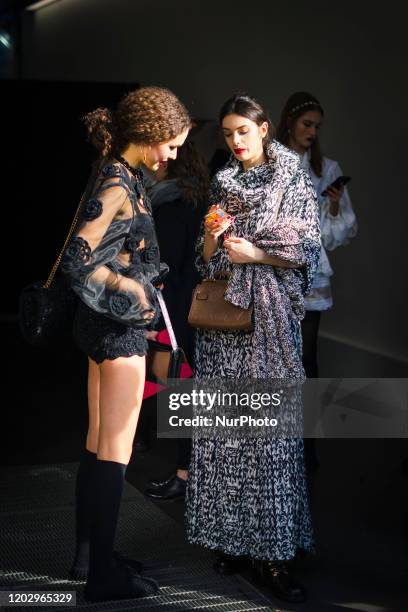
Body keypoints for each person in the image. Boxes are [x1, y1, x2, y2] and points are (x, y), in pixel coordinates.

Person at [185, 93, 321, 604]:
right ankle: (232, 540)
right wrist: (213, 238)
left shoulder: (292, 180)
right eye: (227, 134)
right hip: (223, 325)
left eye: (244, 130)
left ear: (265, 128)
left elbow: (305, 249)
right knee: (226, 436)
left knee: (269, 440)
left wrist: (255, 252)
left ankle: (276, 554)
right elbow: (204, 263)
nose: (236, 142)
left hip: (267, 323)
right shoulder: (224, 183)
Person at [61, 86, 190, 602]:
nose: (174, 155)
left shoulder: (119, 173)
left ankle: (90, 558)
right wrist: (136, 293)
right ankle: (101, 580)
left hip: (103, 328)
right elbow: (78, 260)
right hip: (118, 332)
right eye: (172, 144)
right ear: (152, 134)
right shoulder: (119, 180)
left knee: (98, 445)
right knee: (115, 452)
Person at [143, 140, 210, 500]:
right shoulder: (197, 199)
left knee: (177, 389)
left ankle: (186, 475)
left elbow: (165, 267)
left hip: (174, 311)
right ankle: (191, 472)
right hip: (193, 308)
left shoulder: (169, 205)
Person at [276, 92, 357, 379]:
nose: (312, 131)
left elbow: (333, 234)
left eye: (317, 127)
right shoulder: (268, 159)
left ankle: (305, 419)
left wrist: (333, 204)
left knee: (306, 354)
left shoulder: (326, 168)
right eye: (306, 124)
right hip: (270, 262)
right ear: (290, 121)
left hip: (308, 264)